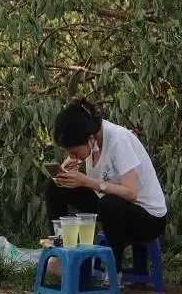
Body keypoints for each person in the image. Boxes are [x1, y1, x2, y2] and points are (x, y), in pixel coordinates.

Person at [46, 97, 168, 279]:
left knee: (110, 203)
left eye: (74, 152)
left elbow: (131, 194)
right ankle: (59, 250)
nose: (72, 156)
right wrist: (66, 172)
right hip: (112, 208)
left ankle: (115, 272)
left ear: (90, 139)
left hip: (147, 217)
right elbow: (92, 184)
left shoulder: (119, 140)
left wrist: (87, 181)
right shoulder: (90, 138)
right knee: (55, 187)